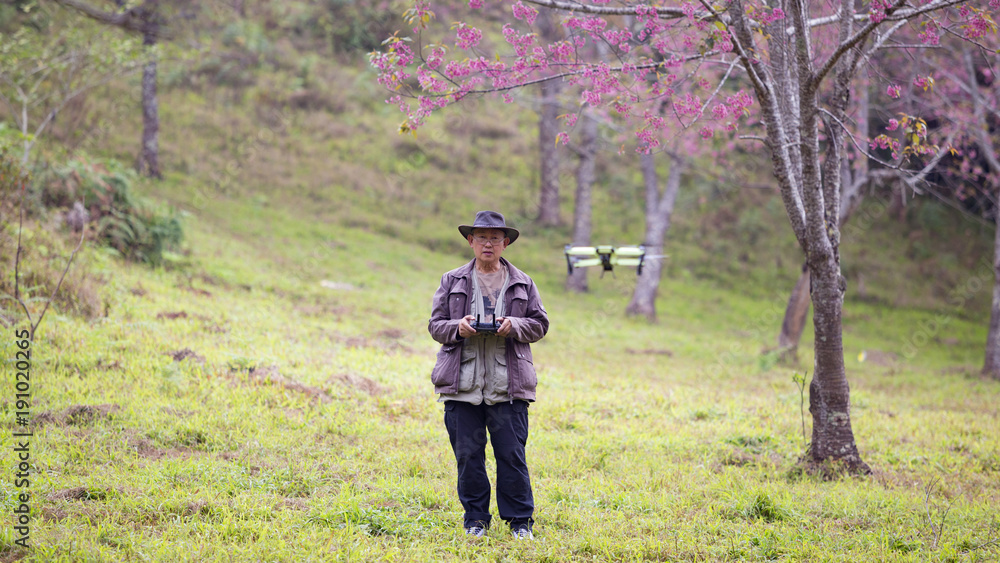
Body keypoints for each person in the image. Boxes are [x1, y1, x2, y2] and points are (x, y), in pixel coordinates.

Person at [428, 210, 549, 540]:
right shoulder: (451, 280)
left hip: (508, 385)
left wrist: (515, 325)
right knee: (468, 456)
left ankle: (520, 522)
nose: (488, 243)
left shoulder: (523, 282)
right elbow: (436, 326)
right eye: (481, 237)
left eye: (495, 238)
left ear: (505, 243)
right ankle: (476, 520)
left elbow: (540, 324)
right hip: (461, 385)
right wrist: (459, 327)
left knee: (511, 456)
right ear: (470, 241)